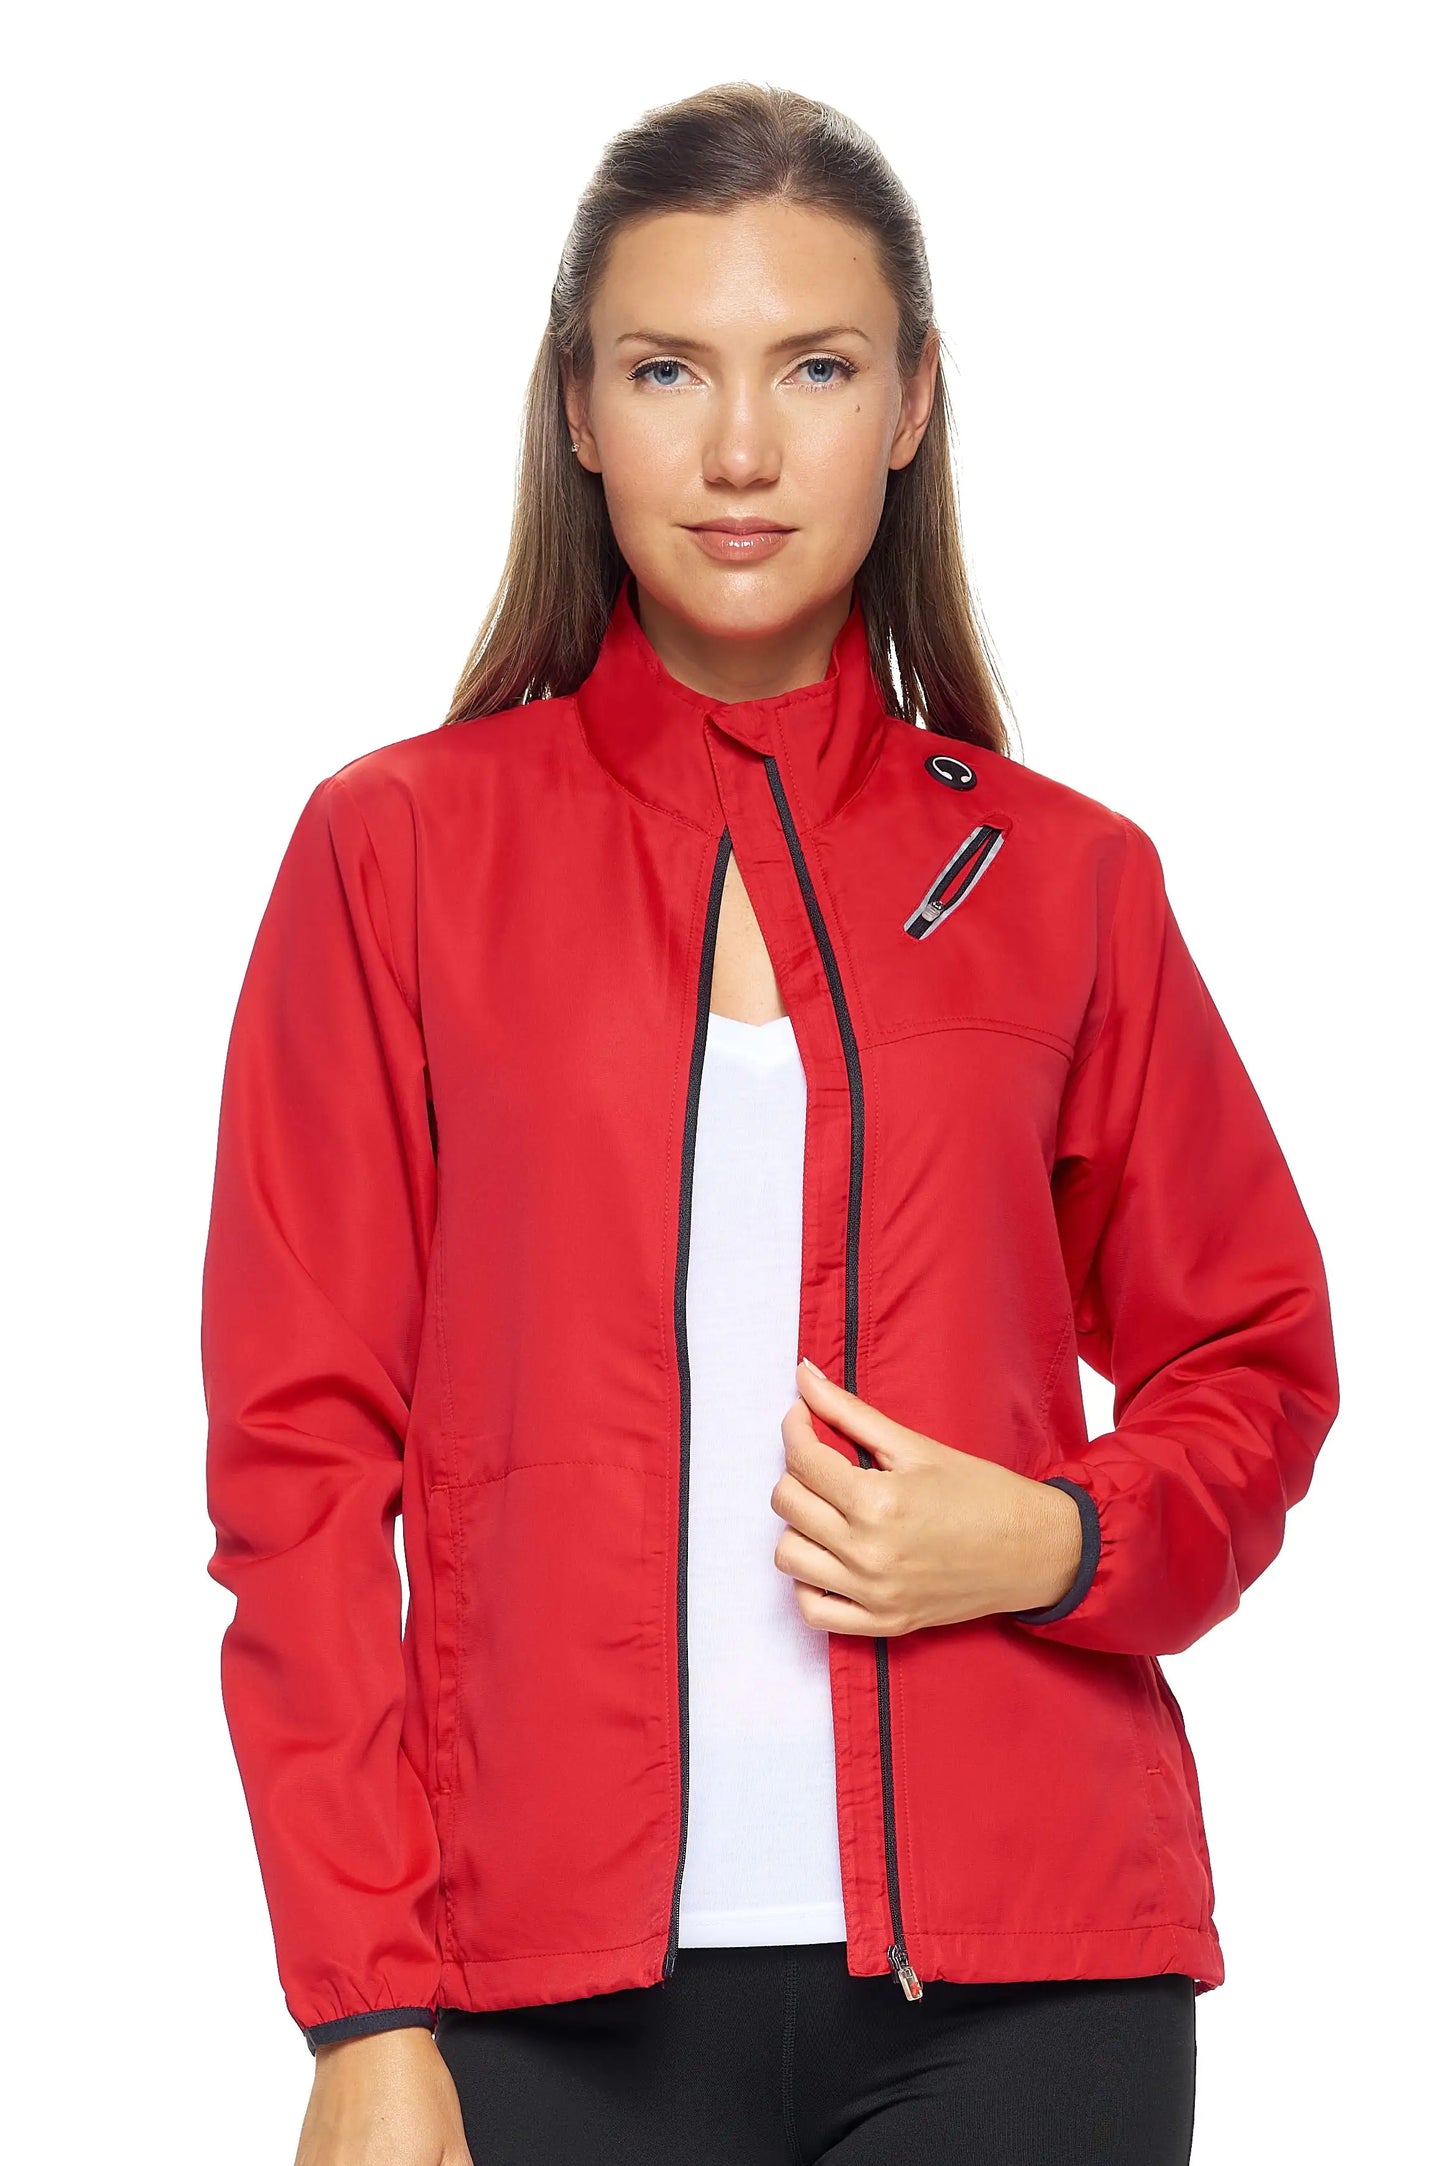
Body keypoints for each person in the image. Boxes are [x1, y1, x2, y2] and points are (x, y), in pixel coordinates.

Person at [200, 80, 1339, 2166]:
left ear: (910, 404)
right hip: (534, 2004)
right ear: (578, 408)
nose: (740, 450)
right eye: (668, 370)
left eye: (814, 367)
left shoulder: (1066, 880)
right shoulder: (397, 855)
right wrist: (361, 2005)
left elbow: (1252, 1356)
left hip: (1025, 1991)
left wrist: (1059, 1534)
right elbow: (296, 1466)